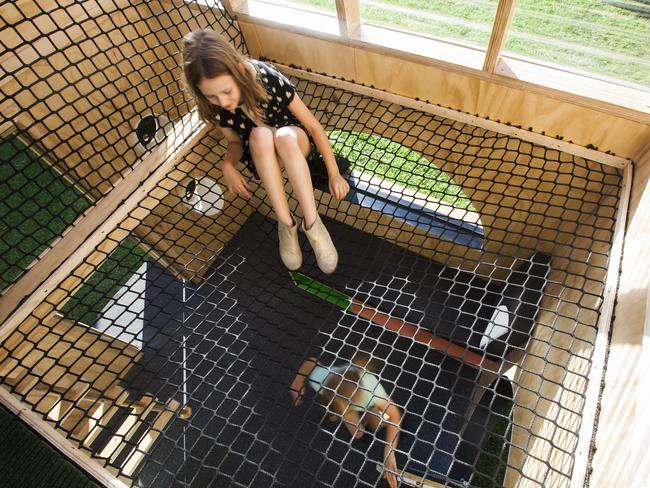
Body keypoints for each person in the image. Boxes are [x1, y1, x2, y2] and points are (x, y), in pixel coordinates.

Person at [182, 29, 349, 274]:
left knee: (282, 136)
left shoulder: (265, 78)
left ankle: (314, 226)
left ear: (238, 71)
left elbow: (313, 126)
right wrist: (227, 166)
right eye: (212, 96)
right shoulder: (214, 106)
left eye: (226, 91)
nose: (223, 101)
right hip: (261, 156)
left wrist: (334, 173)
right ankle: (286, 225)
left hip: (293, 143)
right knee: (259, 136)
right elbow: (235, 143)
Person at [290, 353, 402, 488]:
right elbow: (311, 363)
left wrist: (389, 453)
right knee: (358, 433)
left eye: (346, 410)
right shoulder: (324, 379)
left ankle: (372, 413)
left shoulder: (371, 388)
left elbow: (395, 416)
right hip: (344, 396)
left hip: (366, 399)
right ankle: (365, 415)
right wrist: (298, 382)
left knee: (382, 420)